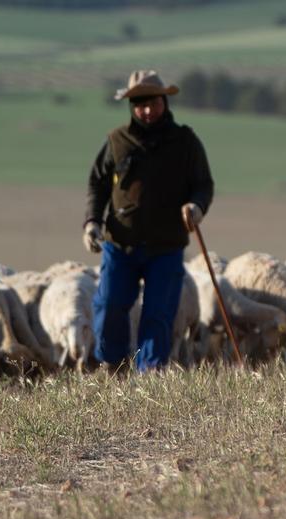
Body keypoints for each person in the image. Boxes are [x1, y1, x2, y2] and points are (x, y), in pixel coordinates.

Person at [82, 70, 214, 372]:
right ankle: (112, 367)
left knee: (158, 313)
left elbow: (203, 183)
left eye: (152, 103)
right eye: (139, 104)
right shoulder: (117, 141)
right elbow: (98, 184)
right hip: (121, 242)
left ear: (164, 101)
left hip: (166, 244)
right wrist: (92, 221)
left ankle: (150, 374)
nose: (146, 110)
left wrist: (197, 206)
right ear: (131, 106)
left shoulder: (185, 141)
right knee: (110, 305)